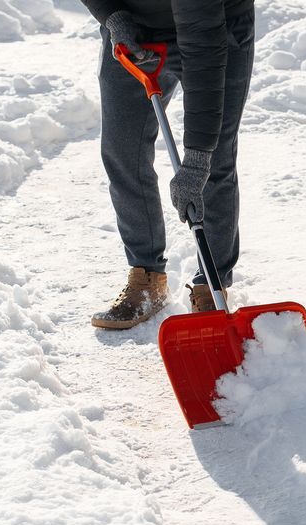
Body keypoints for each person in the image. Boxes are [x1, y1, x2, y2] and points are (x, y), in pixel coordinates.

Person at [82, 0, 255, 329]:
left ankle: (212, 283)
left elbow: (204, 45)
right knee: (123, 149)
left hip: (216, 26)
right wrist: (112, 15)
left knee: (214, 160)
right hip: (133, 26)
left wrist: (196, 160)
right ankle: (146, 278)